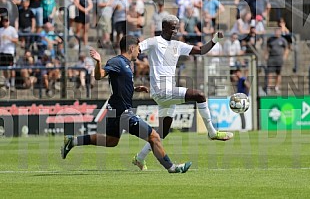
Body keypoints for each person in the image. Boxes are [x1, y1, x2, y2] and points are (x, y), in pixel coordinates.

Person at [61, 35, 192, 173]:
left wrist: (134, 88)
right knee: (154, 136)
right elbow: (99, 76)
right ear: (131, 47)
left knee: (111, 141)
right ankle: (172, 168)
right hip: (122, 112)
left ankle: (73, 141)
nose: (139, 51)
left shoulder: (126, 64)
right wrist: (99, 62)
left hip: (115, 109)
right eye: (137, 48)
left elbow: (119, 84)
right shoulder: (117, 61)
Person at [132, 15, 234, 171]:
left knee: (162, 132)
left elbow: (200, 50)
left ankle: (139, 158)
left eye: (177, 27)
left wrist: (214, 39)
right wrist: (133, 60)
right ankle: (212, 133)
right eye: (173, 27)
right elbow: (138, 48)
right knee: (199, 95)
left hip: (166, 94)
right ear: (164, 27)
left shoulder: (177, 45)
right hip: (161, 90)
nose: (175, 30)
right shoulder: (154, 42)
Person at [265, 28, 288, 94]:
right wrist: (266, 55)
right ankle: (268, 87)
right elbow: (267, 48)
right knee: (269, 73)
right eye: (276, 32)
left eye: (278, 32)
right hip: (271, 58)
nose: (277, 33)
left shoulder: (283, 40)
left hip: (279, 58)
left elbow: (286, 48)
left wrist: (284, 56)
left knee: (278, 73)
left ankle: (276, 87)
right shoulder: (270, 39)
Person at [0, 16, 19, 91]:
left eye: (6, 21)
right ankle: (7, 83)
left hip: (10, 51)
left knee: (11, 68)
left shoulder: (12, 29)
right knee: (4, 68)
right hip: (2, 51)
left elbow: (17, 40)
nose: (5, 22)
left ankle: (13, 84)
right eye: (4, 21)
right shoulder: (0, 30)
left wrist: (9, 38)